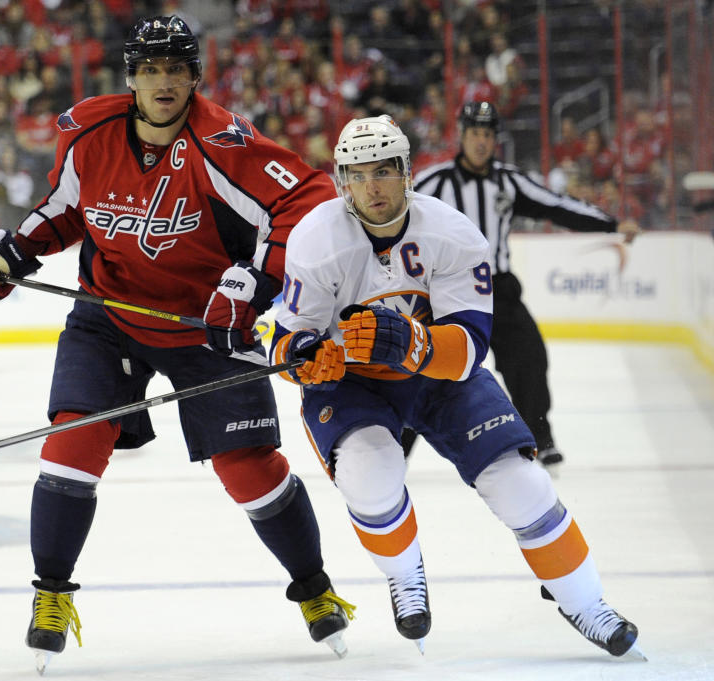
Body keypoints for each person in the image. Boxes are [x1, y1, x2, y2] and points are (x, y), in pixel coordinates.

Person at [0, 15, 354, 673]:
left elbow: (307, 198)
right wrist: (11, 254)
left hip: (208, 326)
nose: (164, 82)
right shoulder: (92, 135)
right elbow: (66, 209)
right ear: (131, 76)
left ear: (195, 76)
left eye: (177, 68)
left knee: (247, 469)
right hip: (109, 317)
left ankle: (313, 586)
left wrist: (253, 283)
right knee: (71, 445)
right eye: (151, 69)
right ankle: (51, 595)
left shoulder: (223, 141)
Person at [271, 114, 643, 658]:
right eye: (357, 174)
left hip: (437, 378)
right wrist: (302, 359)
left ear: (407, 173)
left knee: (521, 483)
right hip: (354, 384)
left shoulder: (453, 234)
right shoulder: (316, 238)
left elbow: (468, 348)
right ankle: (404, 574)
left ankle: (586, 602)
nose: (372, 187)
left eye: (384, 171)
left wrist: (412, 344)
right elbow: (287, 335)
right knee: (369, 478)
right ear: (341, 181)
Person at [411, 101, 639, 468]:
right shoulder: (433, 183)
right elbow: (397, 213)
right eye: (474, 133)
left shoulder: (509, 180)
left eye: (488, 134)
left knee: (529, 356)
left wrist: (610, 224)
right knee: (423, 365)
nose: (481, 141)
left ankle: (540, 438)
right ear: (462, 135)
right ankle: (394, 446)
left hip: (497, 288)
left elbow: (557, 205)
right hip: (445, 293)